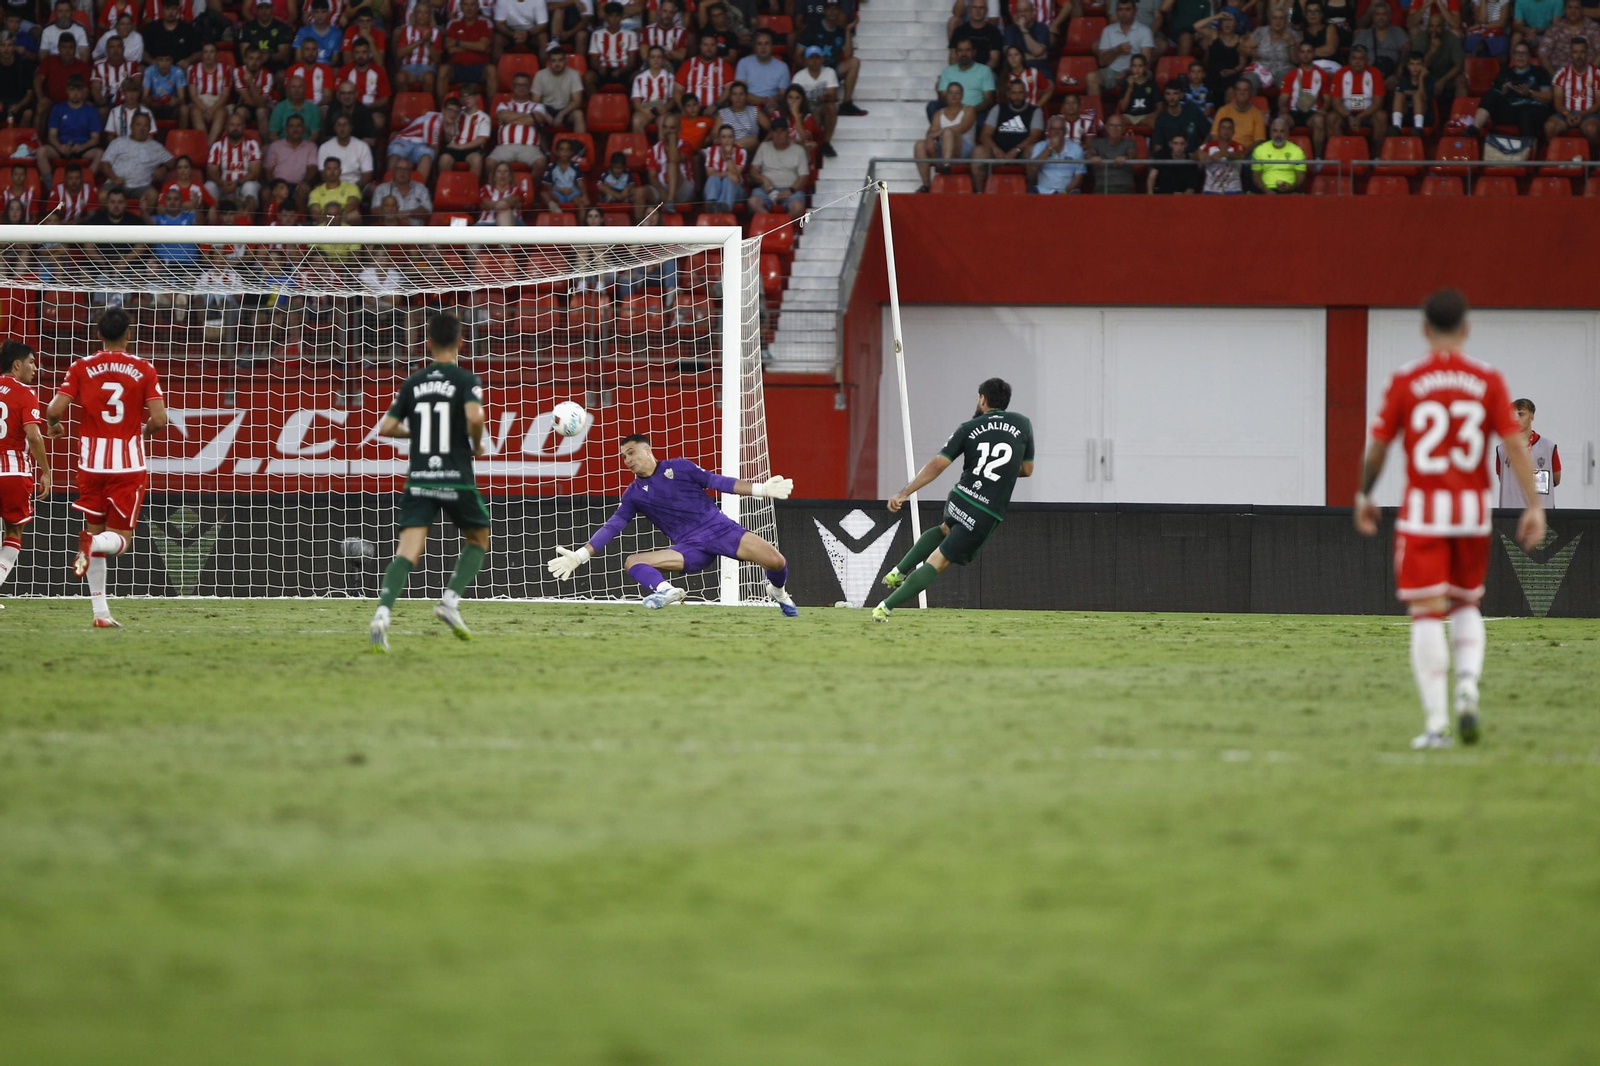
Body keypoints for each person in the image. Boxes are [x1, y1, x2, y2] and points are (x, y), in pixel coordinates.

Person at [1354, 288, 1545, 749]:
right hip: (1472, 513)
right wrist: (1534, 506)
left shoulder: (1405, 379)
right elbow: (1515, 444)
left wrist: (1364, 493)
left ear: (1424, 329)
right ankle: (1467, 689)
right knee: (1465, 605)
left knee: (1425, 613)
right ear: (1466, 329)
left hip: (1424, 513)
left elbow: (1379, 445)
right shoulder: (1488, 379)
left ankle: (1437, 724)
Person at [547, 433, 797, 613]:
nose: (628, 460)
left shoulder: (679, 467)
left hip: (720, 529)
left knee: (776, 562)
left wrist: (761, 489)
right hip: (690, 548)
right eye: (624, 457)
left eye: (632, 453)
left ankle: (778, 592)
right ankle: (667, 591)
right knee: (633, 562)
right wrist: (579, 556)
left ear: (648, 450)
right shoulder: (633, 494)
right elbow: (613, 526)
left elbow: (718, 482)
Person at [369, 313, 490, 651]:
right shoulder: (465, 379)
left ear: (429, 343)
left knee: (406, 552)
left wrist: (419, 432)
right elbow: (475, 416)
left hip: (420, 476)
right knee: (479, 537)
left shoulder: (413, 382)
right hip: (455, 475)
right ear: (461, 342)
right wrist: (476, 443)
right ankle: (449, 602)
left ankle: (382, 614)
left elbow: (388, 428)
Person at [45, 307, 168, 629]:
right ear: (129, 334)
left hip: (90, 464)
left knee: (95, 531)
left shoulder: (82, 367)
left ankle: (101, 613)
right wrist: (137, 433)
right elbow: (159, 420)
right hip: (127, 465)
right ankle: (94, 546)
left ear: (98, 334)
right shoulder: (143, 369)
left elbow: (54, 409)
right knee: (120, 541)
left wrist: (54, 426)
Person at [873, 377, 1034, 622]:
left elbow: (939, 464)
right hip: (985, 510)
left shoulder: (968, 427)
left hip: (960, 497)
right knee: (938, 562)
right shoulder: (1023, 424)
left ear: (983, 399)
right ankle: (884, 608)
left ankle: (897, 571)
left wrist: (904, 492)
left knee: (945, 528)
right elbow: (1027, 469)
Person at [0, 341, 49, 602]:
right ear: (17, 365)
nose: (34, 367)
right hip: (13, 473)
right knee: (13, 533)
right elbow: (35, 436)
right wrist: (46, 471)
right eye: (31, 361)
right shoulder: (25, 393)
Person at [1467, 39, 1553, 134]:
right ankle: (1474, 129)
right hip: (1510, 109)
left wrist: (1530, 93)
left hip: (1533, 109)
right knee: (1490, 95)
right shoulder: (1504, 73)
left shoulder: (1540, 72)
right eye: (1517, 53)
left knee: (1526, 115)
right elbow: (1495, 95)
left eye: (1524, 53)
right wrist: (1503, 92)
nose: (1520, 56)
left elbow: (1548, 97)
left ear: (1529, 57)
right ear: (1513, 56)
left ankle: (1527, 147)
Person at [972, 76, 1042, 189]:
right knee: (978, 151)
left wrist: (1016, 150)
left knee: (1032, 150)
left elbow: (1035, 136)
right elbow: (985, 134)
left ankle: (1031, 192)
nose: (1017, 97)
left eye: (1020, 93)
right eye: (1014, 93)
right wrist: (995, 149)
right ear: (1009, 94)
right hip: (998, 153)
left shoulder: (1035, 110)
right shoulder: (998, 108)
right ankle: (979, 194)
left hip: (1021, 154)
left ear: (1025, 94)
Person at [1495, 399, 1561, 508]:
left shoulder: (1548, 447)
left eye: (1521, 414)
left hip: (1541, 513)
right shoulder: (1502, 449)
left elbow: (1556, 480)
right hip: (1510, 514)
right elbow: (1503, 480)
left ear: (1532, 417)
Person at [96, 110, 168, 210]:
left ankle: (142, 223)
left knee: (153, 196)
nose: (142, 129)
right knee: (103, 196)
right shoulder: (118, 142)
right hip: (116, 183)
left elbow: (173, 162)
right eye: (138, 125)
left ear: (149, 128)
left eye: (145, 125)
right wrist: (114, 178)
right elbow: (104, 164)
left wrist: (163, 169)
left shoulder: (156, 146)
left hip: (142, 186)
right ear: (131, 126)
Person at [915, 81, 975, 191]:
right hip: (944, 148)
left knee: (948, 133)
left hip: (964, 149)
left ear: (962, 96)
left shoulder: (969, 110)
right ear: (946, 95)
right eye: (951, 92)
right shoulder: (939, 113)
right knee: (920, 144)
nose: (954, 95)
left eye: (957, 93)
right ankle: (926, 185)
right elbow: (931, 132)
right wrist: (929, 141)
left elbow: (963, 127)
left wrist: (941, 131)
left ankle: (946, 166)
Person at [1091, 0, 1157, 97]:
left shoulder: (1145, 31)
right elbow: (1102, 62)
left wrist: (1128, 72)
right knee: (1091, 77)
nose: (1124, 13)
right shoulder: (1108, 30)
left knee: (1145, 75)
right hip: (1112, 72)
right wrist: (1117, 50)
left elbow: (1146, 63)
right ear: (1116, 12)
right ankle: (1096, 111)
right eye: (1120, 9)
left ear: (1135, 11)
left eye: (1128, 9)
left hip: (1136, 71)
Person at [1545, 35, 1600, 147]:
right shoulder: (1561, 74)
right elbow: (1558, 102)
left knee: (1592, 129)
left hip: (1589, 114)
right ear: (1570, 53)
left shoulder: (1597, 74)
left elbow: (1598, 103)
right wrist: (1567, 114)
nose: (1578, 56)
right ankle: (1556, 160)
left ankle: (1592, 162)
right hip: (1565, 113)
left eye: (1582, 52)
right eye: (1575, 52)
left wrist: (1583, 114)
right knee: (1549, 127)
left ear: (1587, 53)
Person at [748, 118, 809, 217]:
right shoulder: (764, 147)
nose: (778, 134)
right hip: (767, 190)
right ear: (771, 133)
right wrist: (763, 179)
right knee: (753, 202)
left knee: (798, 207)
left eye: (782, 131)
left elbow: (804, 177)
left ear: (788, 132)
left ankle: (782, 226)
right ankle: (771, 224)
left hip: (791, 190)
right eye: (775, 131)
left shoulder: (798, 150)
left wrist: (790, 191)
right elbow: (753, 171)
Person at [440, 0, 499, 100]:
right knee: (443, 70)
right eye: (466, 5)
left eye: (472, 5)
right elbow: (450, 49)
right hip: (457, 68)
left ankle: (491, 110)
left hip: (479, 68)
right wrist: (474, 46)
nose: (469, 8)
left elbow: (483, 47)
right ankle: (442, 109)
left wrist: (457, 42)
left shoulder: (484, 23)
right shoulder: (453, 24)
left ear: (477, 7)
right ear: (461, 7)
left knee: (491, 70)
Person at [1330, 44, 1389, 143]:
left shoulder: (1375, 73)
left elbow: (1378, 103)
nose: (1357, 62)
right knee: (1331, 118)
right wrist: (1349, 117)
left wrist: (1360, 117)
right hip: (1346, 114)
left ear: (1367, 60)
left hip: (1368, 114)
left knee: (1381, 116)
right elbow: (1336, 103)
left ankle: (1377, 156)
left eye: (1361, 59)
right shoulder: (1340, 73)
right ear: (1349, 59)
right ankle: (1341, 152)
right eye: (1354, 58)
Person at [1279, 43, 1330, 156]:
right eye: (1302, 52)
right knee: (1281, 120)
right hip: (1294, 112)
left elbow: (1327, 99)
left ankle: (1317, 158)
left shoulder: (1322, 75)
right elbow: (1283, 98)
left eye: (1309, 52)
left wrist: (1324, 108)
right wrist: (1282, 107)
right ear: (1299, 54)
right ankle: (1281, 155)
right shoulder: (1291, 75)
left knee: (1319, 120)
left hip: (1312, 113)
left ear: (1313, 54)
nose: (1306, 55)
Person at [206, 110, 262, 210]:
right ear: (226, 127)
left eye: (238, 125)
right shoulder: (217, 146)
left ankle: (247, 220)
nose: (235, 128)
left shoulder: (252, 144)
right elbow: (211, 172)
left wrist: (237, 183)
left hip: (243, 184)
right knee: (209, 185)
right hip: (223, 185)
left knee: (250, 186)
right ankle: (212, 220)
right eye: (232, 125)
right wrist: (222, 183)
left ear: (244, 127)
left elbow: (255, 172)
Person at [791, 46, 841, 155]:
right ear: (806, 60)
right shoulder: (798, 77)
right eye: (811, 58)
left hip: (822, 107)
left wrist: (826, 96)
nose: (814, 60)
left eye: (817, 57)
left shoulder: (829, 72)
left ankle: (826, 143)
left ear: (822, 59)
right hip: (805, 110)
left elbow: (833, 94)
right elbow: (794, 98)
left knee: (831, 106)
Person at [932, 38, 995, 121]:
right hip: (951, 111)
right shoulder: (947, 71)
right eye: (960, 50)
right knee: (932, 106)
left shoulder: (985, 70)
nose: (964, 54)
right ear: (956, 53)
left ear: (974, 52)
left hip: (976, 112)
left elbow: (988, 99)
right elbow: (943, 96)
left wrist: (971, 112)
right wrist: (956, 110)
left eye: (967, 50)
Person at [587, 2, 639, 96]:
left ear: (622, 16)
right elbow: (593, 59)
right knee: (588, 77)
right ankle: (595, 104)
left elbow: (632, 62)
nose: (614, 19)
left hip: (624, 69)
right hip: (604, 69)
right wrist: (599, 68)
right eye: (611, 16)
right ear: (606, 17)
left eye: (617, 16)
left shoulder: (631, 35)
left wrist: (621, 71)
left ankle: (631, 107)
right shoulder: (596, 35)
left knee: (637, 76)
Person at [677, 27, 734, 109]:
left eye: (712, 45)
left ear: (716, 47)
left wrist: (716, 105)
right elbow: (677, 90)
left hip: (716, 111)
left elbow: (729, 89)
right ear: (700, 46)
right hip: (690, 111)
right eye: (705, 45)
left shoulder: (725, 66)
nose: (709, 48)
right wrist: (684, 109)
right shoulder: (688, 64)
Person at [1028, 113, 1086, 192]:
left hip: (1067, 192)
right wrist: (1049, 148)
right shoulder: (1039, 146)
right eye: (1053, 129)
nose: (1056, 132)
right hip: (1042, 190)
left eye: (1060, 129)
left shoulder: (1076, 149)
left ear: (1065, 131)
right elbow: (1033, 169)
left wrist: (1065, 192)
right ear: (1048, 131)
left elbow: (1079, 177)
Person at [533, 44, 585, 132]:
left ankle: (579, 144)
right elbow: (535, 102)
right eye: (554, 61)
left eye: (560, 60)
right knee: (534, 114)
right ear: (549, 62)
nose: (557, 64)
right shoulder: (540, 75)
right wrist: (546, 114)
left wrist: (561, 114)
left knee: (578, 115)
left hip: (566, 109)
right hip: (546, 108)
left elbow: (577, 102)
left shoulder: (574, 74)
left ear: (565, 60)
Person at [1196, 9, 1245, 100]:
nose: (1227, 24)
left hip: (1231, 75)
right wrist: (1216, 17)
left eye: (1230, 20)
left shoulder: (1240, 40)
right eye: (1224, 20)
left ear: (1236, 23)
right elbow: (1196, 26)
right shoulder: (1214, 35)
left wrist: (1233, 71)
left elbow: (1242, 63)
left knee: (1230, 89)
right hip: (1212, 74)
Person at [1537, 0, 1600, 70]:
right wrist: (1555, 76)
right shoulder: (1555, 29)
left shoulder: (1594, 28)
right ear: (1564, 10)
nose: (1573, 11)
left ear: (1582, 10)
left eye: (1576, 8)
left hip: (1589, 77)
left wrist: (1589, 74)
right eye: (1570, 8)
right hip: (1559, 76)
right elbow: (1542, 54)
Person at [735, 29, 788, 108]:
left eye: (766, 44)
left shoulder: (782, 67)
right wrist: (764, 101)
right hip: (748, 106)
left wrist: (771, 102)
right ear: (755, 47)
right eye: (759, 44)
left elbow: (783, 94)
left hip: (772, 107)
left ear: (772, 46)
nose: (763, 47)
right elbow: (740, 92)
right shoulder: (743, 63)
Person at [1250, 114, 1306, 191]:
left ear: (1287, 133)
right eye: (1275, 131)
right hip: (1265, 191)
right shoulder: (1260, 149)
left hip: (1289, 191)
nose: (1278, 135)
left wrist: (1291, 187)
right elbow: (1256, 176)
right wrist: (1266, 190)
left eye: (1282, 131)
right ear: (1270, 132)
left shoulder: (1297, 151)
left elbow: (1301, 176)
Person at [371, 155, 433, 225]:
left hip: (415, 232)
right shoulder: (381, 189)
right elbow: (375, 210)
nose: (402, 172)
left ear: (410, 172)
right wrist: (394, 215)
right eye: (399, 169)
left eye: (406, 169)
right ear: (394, 171)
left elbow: (427, 211)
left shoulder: (421, 189)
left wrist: (408, 213)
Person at [633, 45, 681, 132]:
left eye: (659, 57)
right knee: (636, 121)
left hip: (662, 109)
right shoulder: (639, 78)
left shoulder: (670, 78)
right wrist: (645, 111)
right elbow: (636, 103)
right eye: (653, 57)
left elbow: (672, 100)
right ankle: (640, 145)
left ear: (663, 60)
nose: (656, 60)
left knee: (664, 122)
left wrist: (665, 108)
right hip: (645, 108)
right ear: (648, 59)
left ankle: (661, 145)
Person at [1356, 2, 1412, 76]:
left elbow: (1406, 50)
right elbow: (1355, 55)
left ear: (1389, 16)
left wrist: (1398, 73)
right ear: (1373, 16)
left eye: (1384, 14)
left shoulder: (1398, 32)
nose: (1381, 17)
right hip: (1368, 76)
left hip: (1393, 75)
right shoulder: (1364, 35)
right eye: (1378, 14)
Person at [1086, 113, 1138, 193]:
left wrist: (1126, 157)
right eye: (1112, 125)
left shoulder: (1129, 142)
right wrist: (1092, 157)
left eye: (1118, 126)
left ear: (1124, 128)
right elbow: (1090, 152)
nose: (1115, 128)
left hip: (1124, 189)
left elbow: (1132, 153)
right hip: (1101, 188)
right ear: (1106, 128)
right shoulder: (1097, 142)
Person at [1211, 77, 1267, 148]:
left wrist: (1242, 154)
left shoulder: (1257, 114)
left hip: (1247, 154)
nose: (1242, 93)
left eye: (1245, 90)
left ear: (1251, 93)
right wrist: (1223, 151)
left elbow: (1259, 140)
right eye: (1239, 90)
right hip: (1224, 151)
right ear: (1235, 92)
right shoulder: (1223, 111)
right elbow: (1214, 134)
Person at [703, 123, 747, 210]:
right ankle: (712, 205)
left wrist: (729, 157)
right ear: (719, 139)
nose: (727, 140)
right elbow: (710, 173)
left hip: (737, 192)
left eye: (730, 137)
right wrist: (727, 173)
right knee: (713, 179)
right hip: (716, 189)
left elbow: (735, 177)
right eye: (724, 137)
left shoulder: (741, 152)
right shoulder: (711, 151)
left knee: (729, 180)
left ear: (734, 139)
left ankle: (723, 208)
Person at [950, 0, 1004, 68]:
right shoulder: (960, 30)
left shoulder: (994, 32)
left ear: (986, 11)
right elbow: (952, 58)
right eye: (974, 7)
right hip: (962, 73)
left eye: (981, 8)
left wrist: (978, 74)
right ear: (970, 10)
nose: (977, 11)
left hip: (984, 74)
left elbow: (994, 60)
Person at [1200, 115, 1246, 192]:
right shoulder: (1209, 146)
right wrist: (1199, 154)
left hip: (1233, 190)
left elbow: (1241, 156)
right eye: (1223, 127)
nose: (1226, 131)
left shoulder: (1238, 146)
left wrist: (1225, 154)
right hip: (1211, 191)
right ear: (1218, 130)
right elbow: (1193, 155)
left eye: (1229, 128)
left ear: (1233, 132)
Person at [541, 136, 587, 211]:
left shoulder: (575, 166)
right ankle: (555, 209)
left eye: (567, 150)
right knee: (543, 194)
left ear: (571, 152)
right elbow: (547, 187)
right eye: (562, 150)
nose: (565, 152)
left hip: (572, 193)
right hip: (558, 193)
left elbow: (580, 183)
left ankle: (582, 222)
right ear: (557, 152)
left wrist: (585, 195)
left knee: (581, 203)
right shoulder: (551, 167)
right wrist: (559, 190)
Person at [1001, 43, 1052, 108]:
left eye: (1016, 55)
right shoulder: (1004, 77)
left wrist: (1037, 107)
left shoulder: (1034, 72)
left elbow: (1048, 91)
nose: (1013, 58)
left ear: (1022, 57)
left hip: (1032, 112)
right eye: (1010, 55)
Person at [1118, 53, 1161, 128]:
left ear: (1145, 68)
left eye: (1140, 66)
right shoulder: (1126, 84)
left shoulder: (1151, 84)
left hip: (1146, 116)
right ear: (1131, 68)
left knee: (1155, 123)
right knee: (1116, 122)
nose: (1137, 69)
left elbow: (1160, 105)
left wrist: (1154, 114)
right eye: (1134, 66)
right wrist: (1130, 88)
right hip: (1129, 116)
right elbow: (1123, 108)